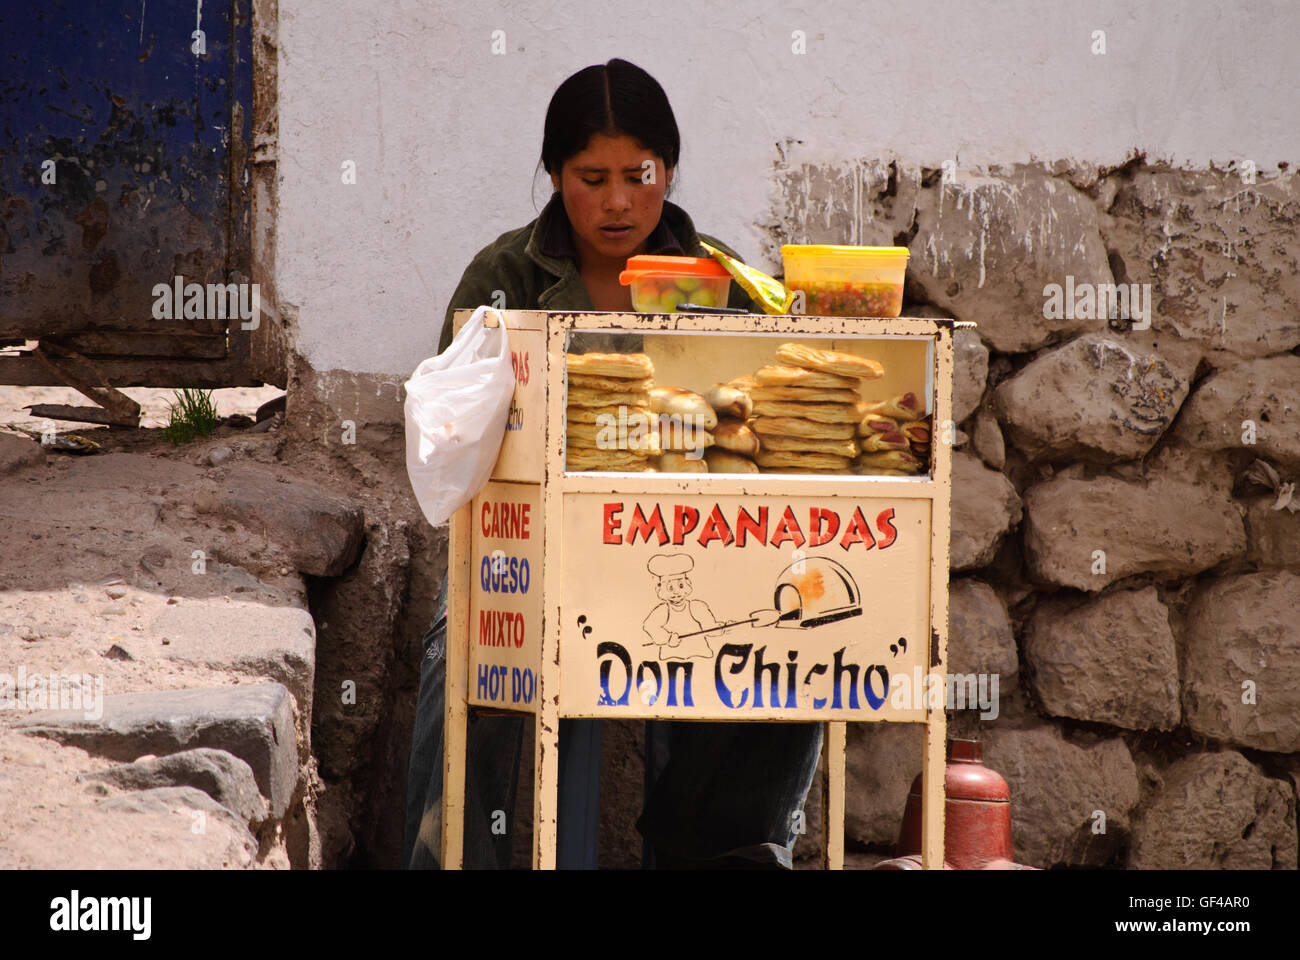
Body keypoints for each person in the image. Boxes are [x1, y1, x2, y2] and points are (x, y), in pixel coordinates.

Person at [405, 58, 822, 870]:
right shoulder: (506, 279)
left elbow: (770, 422)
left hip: (697, 547)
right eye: (590, 178)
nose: (618, 200)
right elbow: (451, 427)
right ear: (556, 178)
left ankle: (721, 857)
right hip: (531, 554)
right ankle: (453, 856)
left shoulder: (724, 282)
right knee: (458, 649)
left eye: (639, 175)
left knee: (783, 648)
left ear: (668, 170)